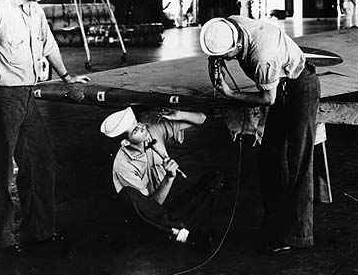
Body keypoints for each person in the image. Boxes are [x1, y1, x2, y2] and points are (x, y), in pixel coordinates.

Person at [0, 0, 90, 256]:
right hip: (1, 98)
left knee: (41, 161)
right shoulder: (0, 10)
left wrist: (66, 77)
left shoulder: (35, 10)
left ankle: (39, 231)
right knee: (0, 171)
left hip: (27, 95)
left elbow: (48, 43)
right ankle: (2, 241)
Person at [199, 16, 320, 253]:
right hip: (282, 83)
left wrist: (230, 94)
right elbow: (221, 48)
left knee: (299, 160)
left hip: (300, 87)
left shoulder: (261, 58)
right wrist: (215, 61)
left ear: (236, 46)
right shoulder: (232, 24)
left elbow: (268, 99)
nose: (224, 60)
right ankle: (274, 225)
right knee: (270, 156)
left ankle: (298, 234)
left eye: (225, 56)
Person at [100, 107, 223, 247]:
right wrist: (169, 178)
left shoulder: (152, 131)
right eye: (135, 130)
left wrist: (179, 114)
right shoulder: (123, 166)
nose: (142, 127)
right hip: (151, 221)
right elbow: (152, 208)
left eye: (138, 123)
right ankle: (178, 233)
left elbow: (201, 118)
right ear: (125, 142)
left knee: (215, 178)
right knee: (128, 194)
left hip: (170, 214)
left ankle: (179, 232)